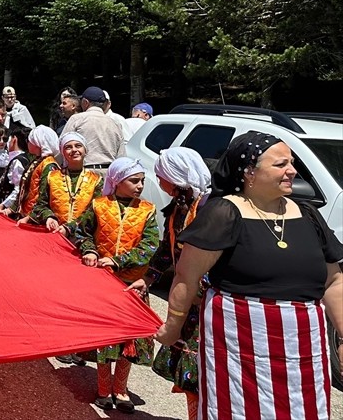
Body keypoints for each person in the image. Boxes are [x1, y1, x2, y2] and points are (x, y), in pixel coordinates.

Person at [157, 132, 343, 420]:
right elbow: (186, 276)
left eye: (291, 163)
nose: (292, 171)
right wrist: (173, 326)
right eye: (281, 164)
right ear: (249, 173)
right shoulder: (224, 213)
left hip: (303, 348)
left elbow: (334, 281)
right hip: (238, 344)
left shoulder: (307, 214)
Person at [125, 147, 212, 420]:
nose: (159, 181)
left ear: (175, 177)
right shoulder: (178, 208)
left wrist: (201, 288)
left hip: (210, 305)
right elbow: (166, 249)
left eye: (161, 175)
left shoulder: (210, 208)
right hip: (189, 302)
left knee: (205, 373)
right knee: (191, 377)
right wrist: (147, 278)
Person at [74, 157, 159, 413]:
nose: (140, 186)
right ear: (118, 181)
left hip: (132, 285)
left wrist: (118, 260)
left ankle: (120, 389)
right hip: (104, 282)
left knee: (127, 339)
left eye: (142, 181)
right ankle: (103, 389)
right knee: (105, 337)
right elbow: (82, 232)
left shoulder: (147, 210)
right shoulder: (99, 205)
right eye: (134, 181)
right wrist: (89, 250)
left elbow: (150, 246)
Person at [29, 132, 103, 236]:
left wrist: (69, 228)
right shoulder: (52, 177)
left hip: (82, 237)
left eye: (78, 146)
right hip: (54, 233)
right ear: (63, 153)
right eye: (68, 147)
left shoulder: (96, 180)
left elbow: (93, 213)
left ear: (85, 150)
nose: (74, 150)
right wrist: (49, 217)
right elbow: (40, 205)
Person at [60, 87, 125, 175]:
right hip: (109, 174)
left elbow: (62, 144)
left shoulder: (77, 119)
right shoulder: (115, 123)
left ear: (85, 102)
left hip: (84, 174)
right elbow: (121, 156)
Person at [6, 126, 60, 220]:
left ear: (38, 143)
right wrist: (10, 209)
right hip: (25, 215)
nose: (28, 143)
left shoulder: (48, 166)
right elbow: (24, 191)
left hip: (35, 219)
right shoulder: (37, 161)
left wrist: (29, 218)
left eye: (30, 141)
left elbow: (44, 198)